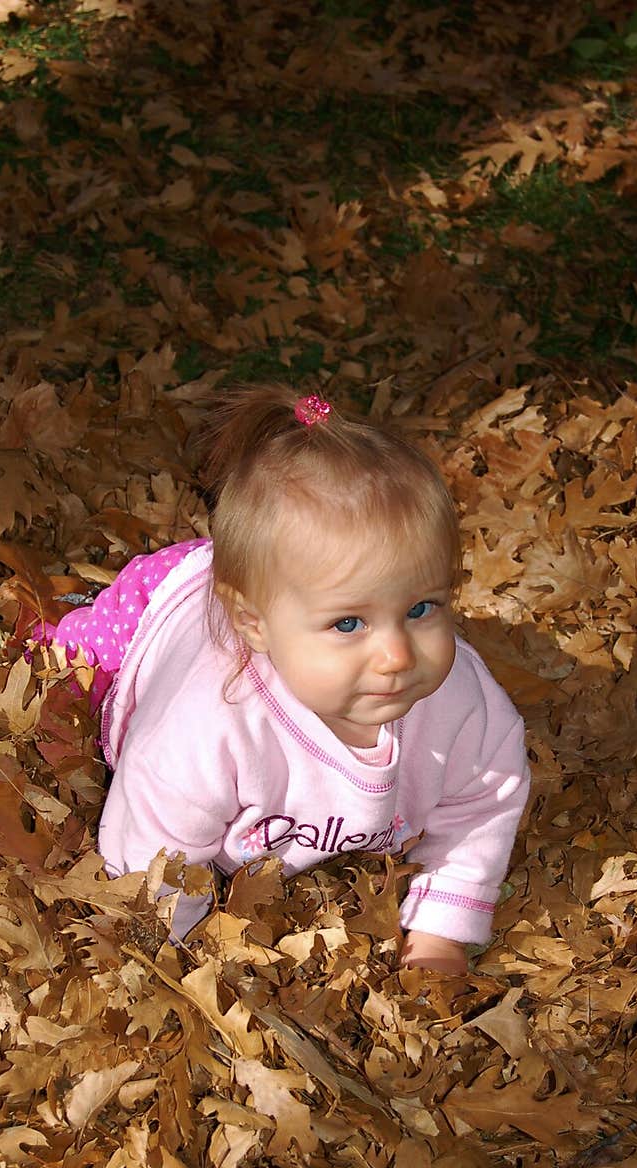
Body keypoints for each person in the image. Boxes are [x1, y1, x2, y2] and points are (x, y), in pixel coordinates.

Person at [46, 384, 531, 975]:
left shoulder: (465, 709)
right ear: (254, 623)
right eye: (349, 622)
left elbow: (483, 805)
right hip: (155, 616)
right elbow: (154, 843)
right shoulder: (204, 727)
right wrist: (166, 941)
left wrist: (440, 933)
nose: (397, 654)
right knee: (65, 681)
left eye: (422, 608)